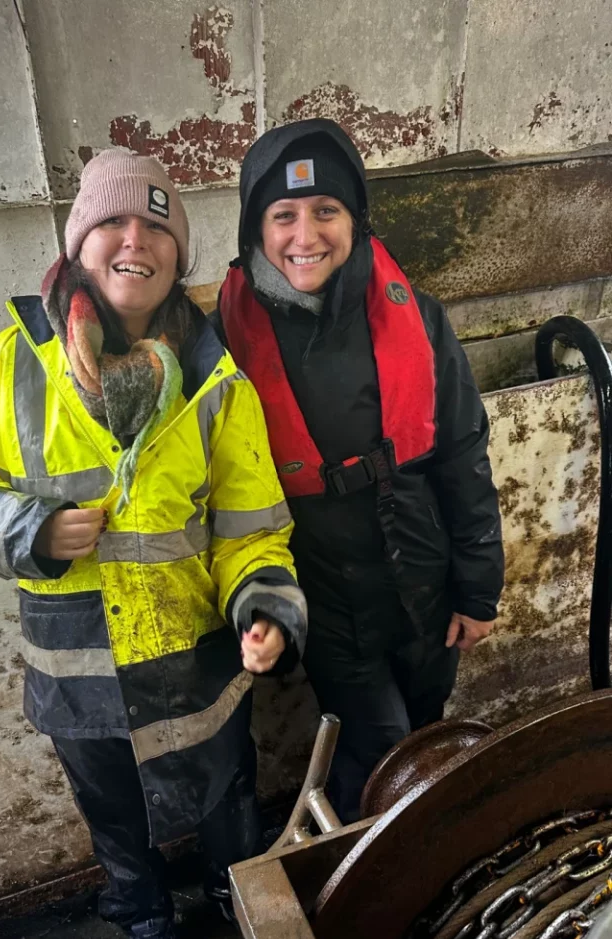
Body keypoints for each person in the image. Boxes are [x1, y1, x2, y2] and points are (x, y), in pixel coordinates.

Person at [0, 150, 307, 939]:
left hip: (199, 659)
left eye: (159, 229)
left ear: (179, 256)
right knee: (118, 826)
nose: (138, 242)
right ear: (79, 241)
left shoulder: (213, 378)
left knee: (229, 807)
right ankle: (151, 928)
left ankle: (239, 908)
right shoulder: (9, 363)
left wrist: (264, 605)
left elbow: (252, 525)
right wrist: (28, 530)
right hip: (76, 667)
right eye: (115, 224)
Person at [212, 118, 503, 824]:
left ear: (355, 219)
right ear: (257, 230)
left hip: (425, 577)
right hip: (329, 591)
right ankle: (370, 884)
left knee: (428, 731)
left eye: (326, 211)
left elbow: (463, 453)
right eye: (283, 215)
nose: (304, 236)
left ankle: (422, 874)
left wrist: (478, 588)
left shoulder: (420, 317)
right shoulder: (223, 343)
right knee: (378, 747)